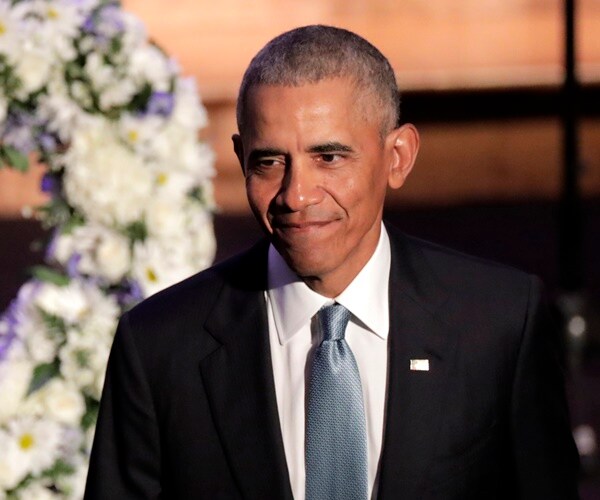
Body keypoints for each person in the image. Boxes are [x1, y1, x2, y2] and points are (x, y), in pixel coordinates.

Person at [85, 25, 579, 499]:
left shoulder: (499, 322)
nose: (296, 195)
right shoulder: (160, 346)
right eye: (269, 161)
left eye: (329, 157)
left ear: (398, 156)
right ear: (240, 159)